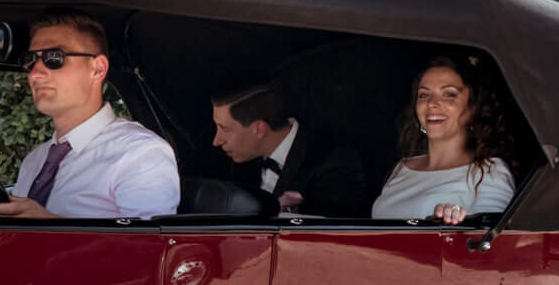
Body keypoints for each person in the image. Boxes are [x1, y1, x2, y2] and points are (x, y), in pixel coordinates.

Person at [0, 10, 179, 220]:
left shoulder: (140, 153)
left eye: (54, 58)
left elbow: (148, 249)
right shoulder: (34, 162)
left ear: (98, 69)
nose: (35, 73)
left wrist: (51, 227)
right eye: (30, 60)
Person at [368, 50, 517, 222]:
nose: (432, 103)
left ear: (473, 107)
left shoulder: (489, 171)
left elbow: (494, 242)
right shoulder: (402, 167)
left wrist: (454, 225)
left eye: (449, 95)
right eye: (424, 95)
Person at [209, 81, 366, 219]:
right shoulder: (231, 163)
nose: (216, 141)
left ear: (259, 129)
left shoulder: (335, 162)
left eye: (225, 129)